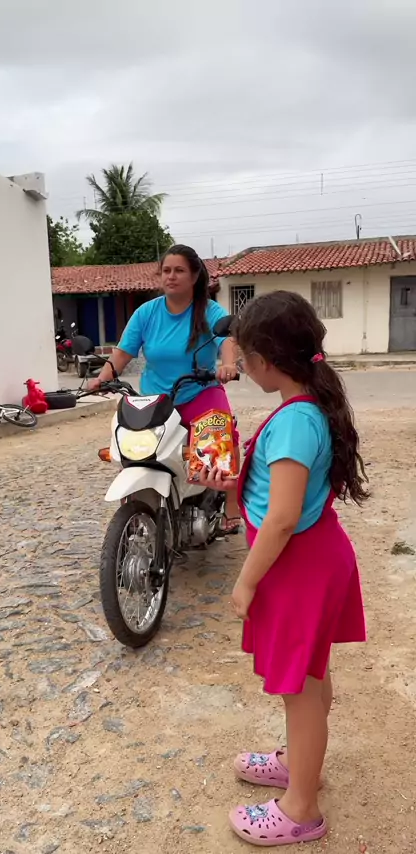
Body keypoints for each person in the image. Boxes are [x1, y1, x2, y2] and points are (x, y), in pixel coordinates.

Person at [199, 291, 367, 847]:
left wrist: (246, 580)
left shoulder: (295, 420)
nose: (241, 365)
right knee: (311, 675)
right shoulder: (304, 407)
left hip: (299, 567)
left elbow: (283, 517)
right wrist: (235, 485)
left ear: (266, 359)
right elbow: (279, 494)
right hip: (313, 560)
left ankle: (301, 807)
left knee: (300, 686)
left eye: (244, 355)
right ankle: (301, 763)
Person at [88, 244, 241, 528]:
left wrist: (228, 364)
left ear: (194, 276)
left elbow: (227, 340)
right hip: (154, 400)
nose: (171, 276)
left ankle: (231, 506)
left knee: (221, 440)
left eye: (179, 270)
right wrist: (101, 379)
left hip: (199, 392)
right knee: (135, 451)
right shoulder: (146, 313)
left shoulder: (209, 310)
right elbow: (122, 353)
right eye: (166, 270)